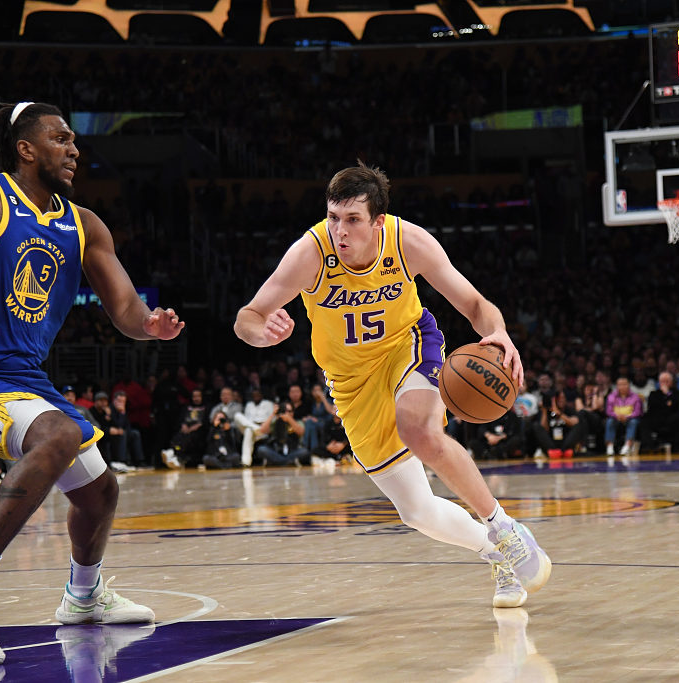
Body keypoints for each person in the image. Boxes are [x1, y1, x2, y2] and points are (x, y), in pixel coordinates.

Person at [0, 102, 183, 664]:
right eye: (60, 139)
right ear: (26, 149)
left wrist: (149, 325)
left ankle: (83, 596)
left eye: (74, 141)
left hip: (26, 383)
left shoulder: (83, 224)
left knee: (100, 492)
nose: (74, 149)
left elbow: (123, 308)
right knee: (60, 436)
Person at [234, 161, 550, 609]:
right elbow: (246, 316)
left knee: (419, 430)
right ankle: (494, 552)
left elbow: (475, 303)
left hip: (409, 346)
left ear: (378, 221)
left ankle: (504, 526)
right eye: (333, 217)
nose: (339, 230)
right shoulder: (310, 254)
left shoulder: (409, 243)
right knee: (417, 512)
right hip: (350, 383)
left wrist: (497, 331)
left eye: (352, 220)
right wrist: (260, 332)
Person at [534, 391, 587, 458]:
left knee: (578, 426)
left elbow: (575, 423)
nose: (560, 400)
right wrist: (544, 411)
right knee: (537, 427)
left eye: (562, 398)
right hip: (552, 443)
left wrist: (559, 414)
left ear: (565, 399)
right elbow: (544, 430)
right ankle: (553, 451)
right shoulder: (547, 411)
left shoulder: (569, 410)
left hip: (565, 442)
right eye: (558, 398)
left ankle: (565, 450)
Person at [234, 387, 275, 467]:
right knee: (237, 415)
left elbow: (272, 420)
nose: (256, 397)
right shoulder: (249, 405)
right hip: (252, 427)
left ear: (261, 395)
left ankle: (246, 462)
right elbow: (245, 420)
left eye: (258, 395)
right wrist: (253, 426)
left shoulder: (268, 404)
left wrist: (262, 426)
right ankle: (254, 428)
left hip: (263, 430)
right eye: (254, 395)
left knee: (248, 431)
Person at [605, 377, 642, 456]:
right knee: (610, 421)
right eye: (620, 385)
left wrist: (627, 416)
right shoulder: (611, 397)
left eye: (624, 384)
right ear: (617, 386)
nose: (622, 387)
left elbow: (638, 412)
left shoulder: (635, 397)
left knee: (633, 422)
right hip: (616, 418)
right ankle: (610, 446)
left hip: (631, 418)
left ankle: (628, 445)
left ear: (628, 385)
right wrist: (617, 416)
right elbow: (609, 411)